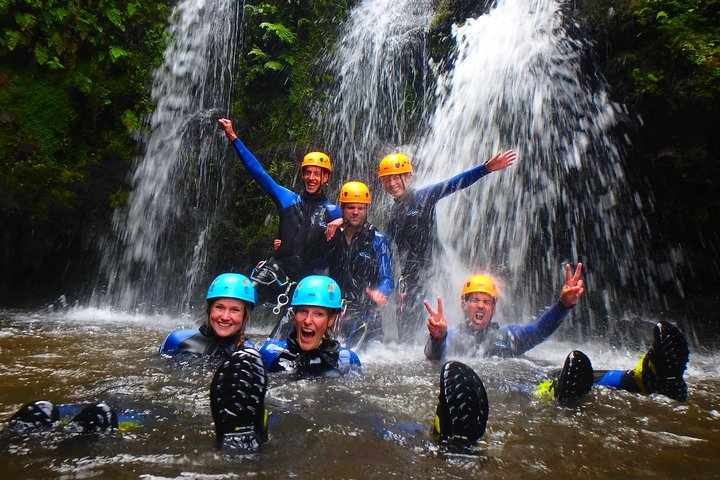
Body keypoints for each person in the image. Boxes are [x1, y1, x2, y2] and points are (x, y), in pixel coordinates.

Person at [377, 150, 517, 342]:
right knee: (406, 332)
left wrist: (486, 168)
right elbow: (383, 244)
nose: (391, 184)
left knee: (425, 323)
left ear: (408, 176)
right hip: (409, 277)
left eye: (395, 178)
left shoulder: (424, 197)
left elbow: (454, 183)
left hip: (432, 273)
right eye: (386, 180)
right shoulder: (392, 213)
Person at [209, 275, 360, 452]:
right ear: (294, 315)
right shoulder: (271, 353)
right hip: (277, 421)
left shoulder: (347, 360)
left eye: (318, 314)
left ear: (332, 319)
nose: (308, 320)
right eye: (302, 311)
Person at [217, 118, 341, 307]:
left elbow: (353, 233)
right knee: (239, 302)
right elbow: (260, 174)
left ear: (326, 178)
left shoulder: (333, 212)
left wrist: (342, 223)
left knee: (290, 334)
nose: (311, 178)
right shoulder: (288, 199)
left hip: (304, 284)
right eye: (307, 172)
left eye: (317, 173)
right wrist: (233, 137)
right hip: (275, 271)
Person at [424, 264, 584, 360]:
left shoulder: (508, 338)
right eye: (474, 300)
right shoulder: (451, 338)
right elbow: (433, 357)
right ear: (463, 305)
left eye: (487, 302)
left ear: (493, 309)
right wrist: (437, 338)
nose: (481, 306)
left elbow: (539, 332)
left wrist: (563, 306)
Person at [326, 181, 394, 348]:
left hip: (365, 313)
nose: (356, 212)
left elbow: (387, 278)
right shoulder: (332, 234)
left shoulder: (377, 239)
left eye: (361, 208)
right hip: (335, 310)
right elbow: (316, 263)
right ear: (342, 209)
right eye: (351, 208)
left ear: (366, 209)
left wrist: (381, 292)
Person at [158, 273, 257, 357]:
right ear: (209, 310)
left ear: (245, 315)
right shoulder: (177, 340)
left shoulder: (251, 355)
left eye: (235, 310)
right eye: (219, 307)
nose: (225, 317)